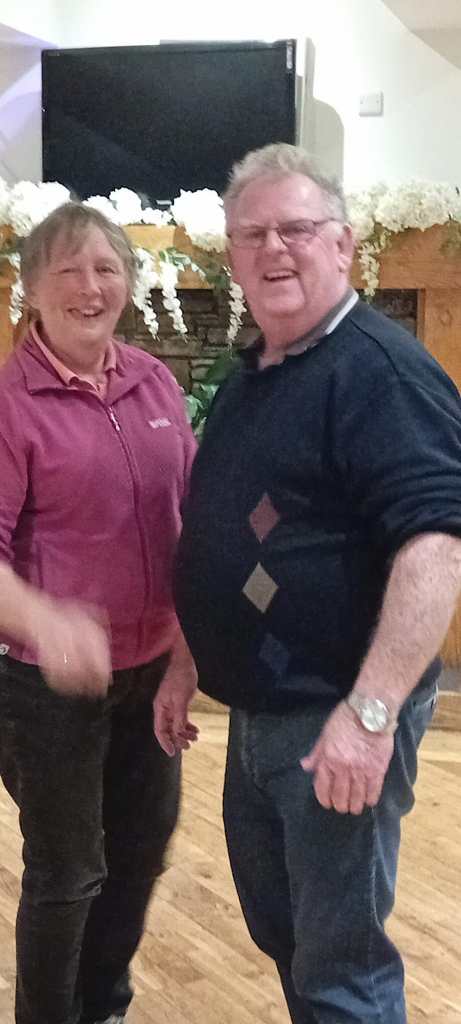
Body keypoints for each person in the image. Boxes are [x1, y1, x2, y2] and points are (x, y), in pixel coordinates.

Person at [159, 144, 461, 1024]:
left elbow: (437, 546)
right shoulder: (257, 372)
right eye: (251, 234)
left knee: (341, 969)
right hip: (260, 713)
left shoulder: (379, 371)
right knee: (288, 936)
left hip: (336, 714)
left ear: (342, 244)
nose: (273, 249)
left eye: (295, 228)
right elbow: (221, 529)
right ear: (231, 255)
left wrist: (369, 718)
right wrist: (186, 658)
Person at [0, 201, 198, 1024]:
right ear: (31, 290)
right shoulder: (9, 402)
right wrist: (45, 621)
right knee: (69, 872)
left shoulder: (154, 381)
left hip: (151, 672)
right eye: (69, 270)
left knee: (141, 856)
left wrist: (186, 653)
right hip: (45, 688)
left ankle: (102, 1007)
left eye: (107, 268)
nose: (91, 287)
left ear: (128, 282)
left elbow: (194, 522)